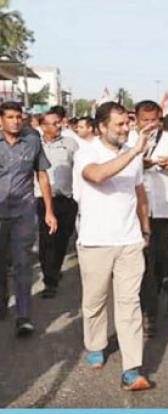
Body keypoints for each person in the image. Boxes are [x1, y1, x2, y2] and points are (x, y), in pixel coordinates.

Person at [74, 101, 153, 391]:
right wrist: (134, 151)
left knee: (130, 304)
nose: (126, 129)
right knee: (95, 301)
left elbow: (139, 192)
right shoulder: (86, 152)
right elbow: (97, 175)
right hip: (95, 241)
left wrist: (145, 228)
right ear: (101, 127)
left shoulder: (132, 154)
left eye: (127, 124)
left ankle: (132, 369)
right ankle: (96, 343)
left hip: (129, 240)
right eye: (119, 125)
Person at [0, 102, 57, 333]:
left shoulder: (32, 142)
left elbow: (42, 175)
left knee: (23, 264)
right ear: (1, 120)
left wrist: (50, 212)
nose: (15, 121)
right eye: (10, 117)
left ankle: (24, 316)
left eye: (18, 117)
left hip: (23, 213)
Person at [142, 105, 168, 328]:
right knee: (146, 258)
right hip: (140, 208)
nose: (150, 124)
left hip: (165, 206)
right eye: (145, 119)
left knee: (166, 254)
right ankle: (150, 310)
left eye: (154, 119)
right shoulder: (130, 139)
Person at [36, 110, 79, 299]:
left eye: (59, 122)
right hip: (43, 200)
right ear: (43, 126)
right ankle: (49, 280)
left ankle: (55, 266)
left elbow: (80, 169)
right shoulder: (35, 145)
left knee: (62, 239)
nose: (58, 126)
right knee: (47, 241)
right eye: (53, 123)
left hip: (66, 199)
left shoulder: (71, 144)